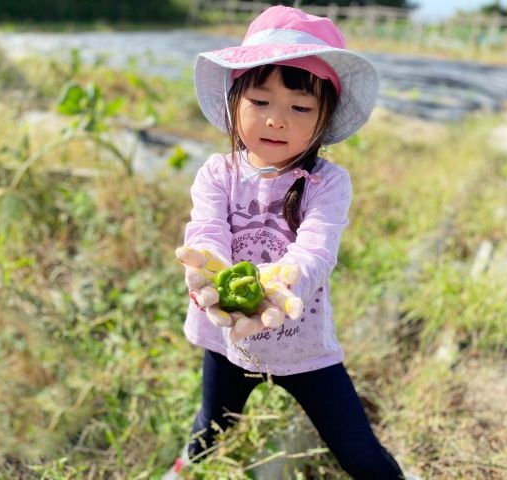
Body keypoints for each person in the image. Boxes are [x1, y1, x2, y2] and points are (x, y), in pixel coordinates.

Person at [165, 6, 413, 480]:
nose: (277, 120)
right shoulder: (218, 173)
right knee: (211, 426)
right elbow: (207, 231)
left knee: (359, 451)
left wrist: (286, 279)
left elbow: (315, 249)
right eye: (260, 101)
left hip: (303, 347)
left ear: (324, 120)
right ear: (233, 101)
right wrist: (209, 264)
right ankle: (181, 470)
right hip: (229, 339)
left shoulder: (326, 183)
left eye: (300, 108)